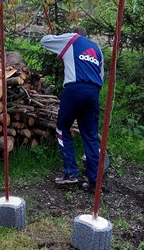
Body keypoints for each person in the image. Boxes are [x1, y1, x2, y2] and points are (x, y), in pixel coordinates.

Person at [40, 26, 104, 191]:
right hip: (93, 93)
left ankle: (70, 173)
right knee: (90, 136)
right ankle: (94, 182)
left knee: (62, 128)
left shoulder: (71, 39)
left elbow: (45, 40)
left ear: (75, 34)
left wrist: (61, 48)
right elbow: (101, 76)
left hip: (74, 90)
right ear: (87, 35)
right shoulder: (97, 49)